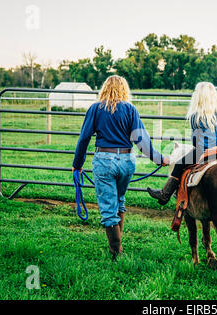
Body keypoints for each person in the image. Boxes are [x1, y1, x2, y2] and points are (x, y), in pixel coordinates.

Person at [72, 75, 168, 261]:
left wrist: (77, 165)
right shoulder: (130, 109)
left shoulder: (95, 109)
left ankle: (116, 252)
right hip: (126, 160)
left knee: (108, 207)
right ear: (124, 89)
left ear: (104, 88)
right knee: (119, 200)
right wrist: (159, 159)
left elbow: (84, 138)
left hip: (104, 160)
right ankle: (118, 244)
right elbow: (142, 140)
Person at [147, 81, 217, 205]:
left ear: (198, 97)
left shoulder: (196, 116)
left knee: (178, 165)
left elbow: (195, 140)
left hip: (203, 151)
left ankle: (165, 194)